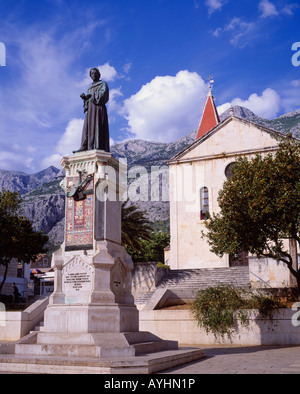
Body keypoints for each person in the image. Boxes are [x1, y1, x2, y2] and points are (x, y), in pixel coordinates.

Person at [73, 67, 110, 153]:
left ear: (99, 75)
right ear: (90, 76)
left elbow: (103, 94)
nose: (94, 75)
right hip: (90, 110)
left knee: (98, 126)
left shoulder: (103, 84)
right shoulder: (89, 88)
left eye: (96, 73)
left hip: (98, 109)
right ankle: (85, 146)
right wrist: (85, 99)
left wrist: (90, 96)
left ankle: (98, 145)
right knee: (87, 127)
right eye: (92, 73)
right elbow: (88, 100)